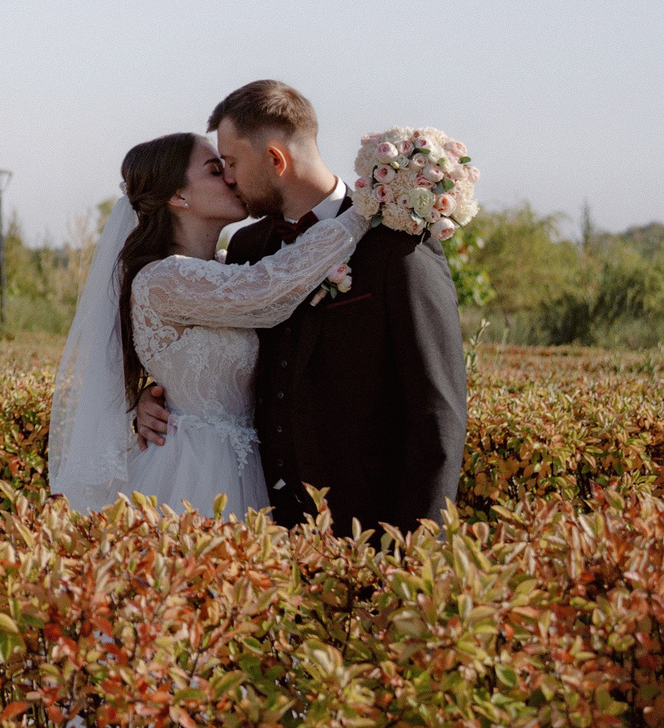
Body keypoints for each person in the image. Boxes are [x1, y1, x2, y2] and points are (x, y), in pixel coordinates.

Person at [176, 79, 465, 534]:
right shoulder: (248, 247)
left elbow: (438, 414)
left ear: (275, 160)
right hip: (262, 526)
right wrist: (162, 397)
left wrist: (415, 552)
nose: (228, 177)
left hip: (371, 531)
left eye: (231, 162)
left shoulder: (396, 242)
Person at [49, 128, 370, 517]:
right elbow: (265, 289)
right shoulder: (163, 279)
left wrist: (153, 395)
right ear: (178, 196)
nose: (231, 178)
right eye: (215, 170)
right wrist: (366, 210)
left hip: (252, 462)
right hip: (195, 470)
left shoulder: (223, 267)